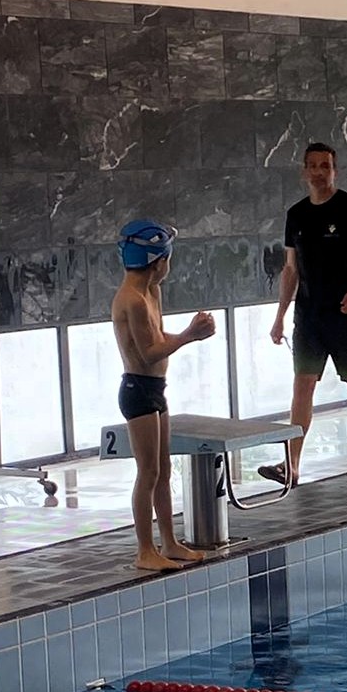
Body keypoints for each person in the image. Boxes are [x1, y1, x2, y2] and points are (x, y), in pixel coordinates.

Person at [261, 142, 347, 488]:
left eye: (325, 166)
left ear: (334, 171)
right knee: (302, 386)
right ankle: (292, 465)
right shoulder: (296, 215)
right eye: (312, 166)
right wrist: (279, 316)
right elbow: (290, 270)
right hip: (309, 315)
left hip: (344, 312)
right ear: (304, 172)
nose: (318, 172)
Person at [110, 219, 216, 572]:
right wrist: (189, 335)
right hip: (137, 390)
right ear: (158, 261)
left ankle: (169, 542)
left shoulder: (151, 291)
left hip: (155, 389)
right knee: (148, 472)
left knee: (164, 470)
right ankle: (145, 550)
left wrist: (189, 333)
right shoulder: (132, 300)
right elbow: (149, 353)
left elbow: (157, 336)